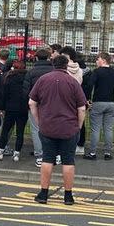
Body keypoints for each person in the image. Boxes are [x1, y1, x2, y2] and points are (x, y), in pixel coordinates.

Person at [29, 54, 87, 205]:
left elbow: (31, 102)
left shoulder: (43, 79)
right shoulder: (73, 82)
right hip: (68, 127)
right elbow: (81, 108)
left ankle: (43, 193)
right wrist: (78, 126)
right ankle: (68, 196)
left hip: (47, 126)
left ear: (53, 64)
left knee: (47, 159)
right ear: (66, 65)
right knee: (68, 161)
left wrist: (39, 120)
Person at [85, 52, 114, 161]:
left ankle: (92, 153)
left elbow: (89, 85)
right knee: (108, 129)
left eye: (98, 59)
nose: (96, 61)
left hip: (98, 103)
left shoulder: (96, 72)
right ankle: (107, 152)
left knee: (95, 129)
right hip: (111, 103)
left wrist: (87, 99)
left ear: (104, 60)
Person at [23, 47, 54, 167]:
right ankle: (51, 153)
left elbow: (26, 91)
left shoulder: (31, 72)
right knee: (51, 128)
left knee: (36, 129)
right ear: (48, 57)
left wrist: (28, 103)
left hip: (35, 103)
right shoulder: (53, 70)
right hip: (51, 104)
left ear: (36, 57)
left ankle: (40, 155)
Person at [0, 58, 28, 162]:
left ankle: (1, 150)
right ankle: (17, 153)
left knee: (5, 130)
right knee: (20, 132)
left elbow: (4, 95)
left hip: (10, 108)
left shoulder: (9, 78)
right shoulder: (27, 78)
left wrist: (1, 108)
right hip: (23, 108)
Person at [61, 46, 86, 153]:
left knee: (63, 121)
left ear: (67, 56)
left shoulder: (65, 69)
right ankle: (77, 145)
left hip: (65, 98)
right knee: (76, 122)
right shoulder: (79, 70)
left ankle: (64, 147)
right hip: (76, 97)